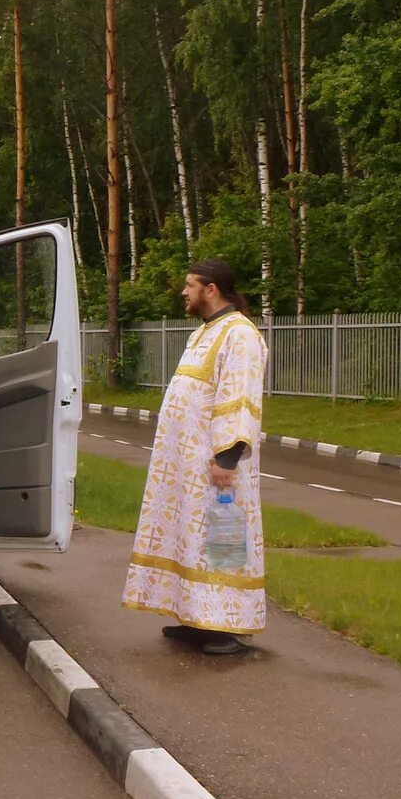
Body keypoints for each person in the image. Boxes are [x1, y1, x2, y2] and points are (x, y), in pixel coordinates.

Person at [120, 259, 268, 656]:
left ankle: (228, 627)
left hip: (216, 465)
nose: (183, 293)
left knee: (222, 541)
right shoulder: (205, 332)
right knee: (190, 539)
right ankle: (195, 617)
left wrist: (228, 458)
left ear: (212, 288)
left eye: (190, 286)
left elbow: (239, 400)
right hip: (186, 470)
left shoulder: (240, 335)